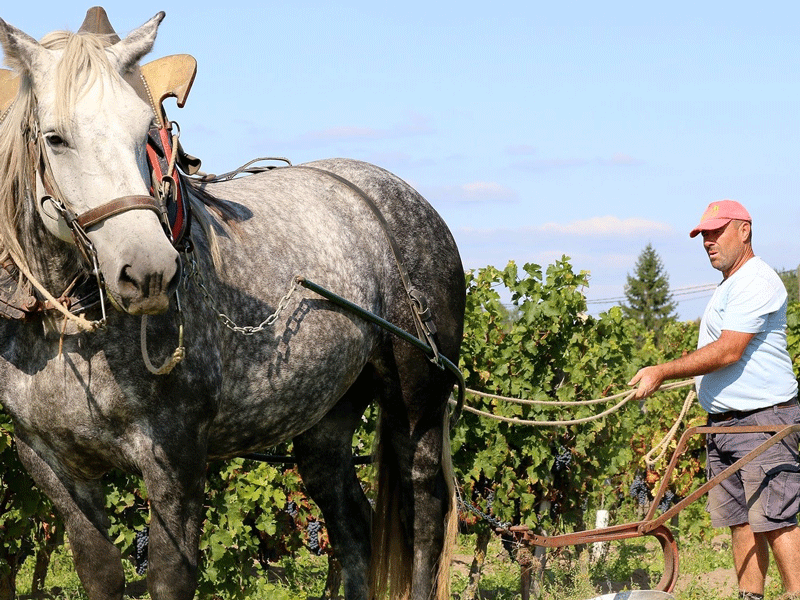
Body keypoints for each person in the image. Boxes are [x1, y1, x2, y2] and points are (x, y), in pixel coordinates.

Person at [628, 200, 800, 600]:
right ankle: (749, 597)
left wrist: (661, 370)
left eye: (716, 231)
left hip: (762, 423)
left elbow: (728, 351)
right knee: (741, 522)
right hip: (725, 423)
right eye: (703, 235)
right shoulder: (731, 284)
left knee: (776, 520)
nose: (708, 241)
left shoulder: (757, 280)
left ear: (744, 230)